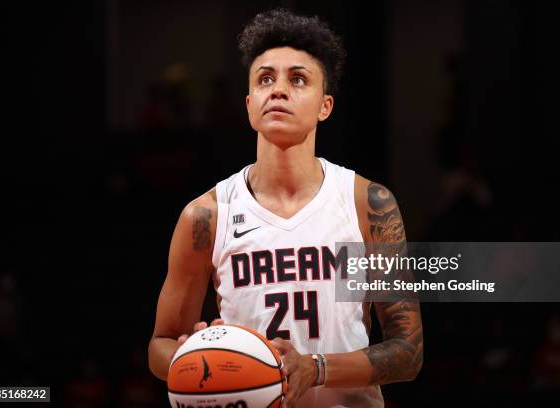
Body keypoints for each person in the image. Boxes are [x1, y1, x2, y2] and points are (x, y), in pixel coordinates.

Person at [148, 8, 423, 407]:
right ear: (249, 105)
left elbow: (407, 351)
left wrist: (316, 367)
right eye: (265, 79)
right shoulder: (206, 215)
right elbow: (160, 344)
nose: (278, 90)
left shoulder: (366, 203)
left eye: (297, 79)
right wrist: (192, 356)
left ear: (325, 106)